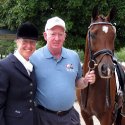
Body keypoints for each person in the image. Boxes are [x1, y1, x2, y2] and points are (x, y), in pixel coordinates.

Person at [30, 16, 95, 125]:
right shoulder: (34, 58)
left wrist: (85, 81)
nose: (57, 38)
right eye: (53, 34)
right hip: (43, 118)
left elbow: (78, 82)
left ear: (65, 36)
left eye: (60, 34)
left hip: (69, 117)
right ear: (45, 36)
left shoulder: (73, 56)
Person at [0, 22, 38, 125]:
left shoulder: (32, 66)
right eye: (25, 41)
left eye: (33, 42)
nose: (29, 46)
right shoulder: (4, 66)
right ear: (17, 42)